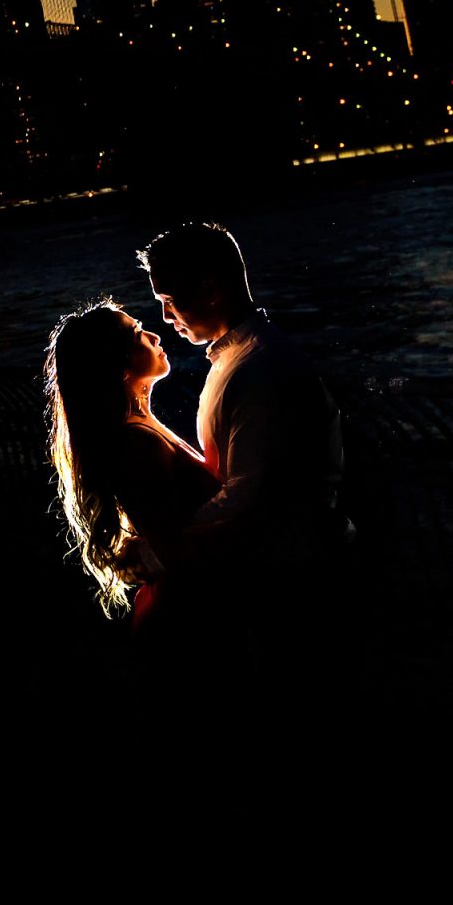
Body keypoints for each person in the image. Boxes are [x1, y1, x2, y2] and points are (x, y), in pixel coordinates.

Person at [138, 221, 350, 663]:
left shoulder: (259, 370)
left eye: (169, 300)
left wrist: (158, 552)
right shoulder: (245, 359)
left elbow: (248, 494)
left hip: (291, 580)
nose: (166, 317)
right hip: (279, 571)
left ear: (211, 289)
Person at [42, 300, 219, 663]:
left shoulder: (143, 428)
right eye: (138, 334)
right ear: (117, 365)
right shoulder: (137, 443)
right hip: (189, 624)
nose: (155, 336)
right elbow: (177, 554)